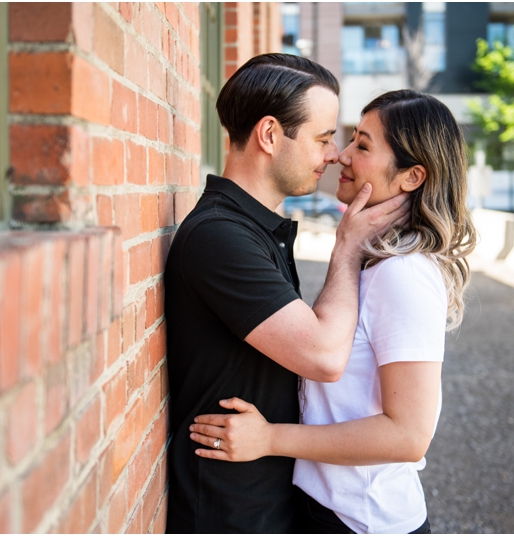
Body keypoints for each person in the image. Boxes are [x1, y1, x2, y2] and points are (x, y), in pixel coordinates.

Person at [188, 89, 478, 534]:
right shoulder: (372, 259)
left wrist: (269, 439)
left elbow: (409, 434)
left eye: (362, 145)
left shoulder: (405, 273)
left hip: (363, 520)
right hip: (325, 507)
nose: (341, 155)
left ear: (411, 176)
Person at [164, 55, 411, 533]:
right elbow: (323, 356)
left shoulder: (254, 229)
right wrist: (347, 249)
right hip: (228, 513)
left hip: (267, 501)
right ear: (271, 135)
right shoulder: (219, 237)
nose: (334, 155)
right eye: (322, 139)